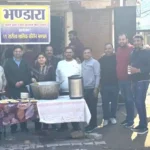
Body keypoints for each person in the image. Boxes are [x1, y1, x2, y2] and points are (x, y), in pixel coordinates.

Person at [4, 45, 31, 133]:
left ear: (22, 52)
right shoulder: (8, 63)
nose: (18, 53)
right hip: (12, 88)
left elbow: (28, 75)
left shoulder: (25, 62)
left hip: (23, 89)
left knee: (23, 107)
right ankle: (13, 127)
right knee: (12, 108)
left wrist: (23, 82)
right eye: (16, 51)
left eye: (19, 51)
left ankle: (24, 126)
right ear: (13, 52)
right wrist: (14, 83)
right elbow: (7, 75)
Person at [56, 47, 81, 131]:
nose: (68, 54)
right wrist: (57, 87)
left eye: (70, 52)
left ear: (73, 53)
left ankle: (75, 126)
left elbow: (81, 75)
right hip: (63, 90)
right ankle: (63, 126)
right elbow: (57, 76)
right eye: (67, 52)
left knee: (74, 109)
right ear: (64, 53)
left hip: (75, 91)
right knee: (63, 109)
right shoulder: (60, 63)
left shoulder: (77, 63)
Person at [130, 35, 150, 134]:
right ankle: (142, 124)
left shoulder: (147, 52)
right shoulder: (133, 52)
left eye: (138, 40)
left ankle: (144, 126)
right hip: (134, 80)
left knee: (139, 102)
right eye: (135, 41)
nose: (136, 42)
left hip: (143, 80)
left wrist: (138, 70)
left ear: (142, 41)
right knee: (138, 102)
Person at [32, 53, 56, 132]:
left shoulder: (50, 68)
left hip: (48, 91)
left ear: (45, 59)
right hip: (37, 92)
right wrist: (32, 79)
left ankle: (47, 126)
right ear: (37, 60)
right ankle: (37, 127)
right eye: (39, 58)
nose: (41, 59)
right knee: (37, 110)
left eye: (43, 57)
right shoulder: (34, 69)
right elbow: (31, 78)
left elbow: (53, 79)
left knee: (48, 109)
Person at [116, 34, 134, 128]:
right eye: (120, 39)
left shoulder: (132, 48)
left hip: (129, 80)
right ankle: (128, 118)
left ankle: (131, 121)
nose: (121, 41)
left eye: (123, 39)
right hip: (120, 79)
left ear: (127, 39)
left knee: (130, 100)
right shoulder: (118, 49)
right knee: (126, 100)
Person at [99, 43, 118, 126]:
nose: (108, 50)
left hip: (115, 83)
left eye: (109, 48)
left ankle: (112, 117)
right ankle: (106, 118)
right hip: (104, 84)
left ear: (112, 49)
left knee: (114, 102)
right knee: (105, 102)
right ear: (104, 50)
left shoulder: (116, 58)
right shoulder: (101, 59)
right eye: (106, 48)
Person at [82, 48, 100, 132]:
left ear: (91, 54)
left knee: (93, 108)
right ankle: (90, 124)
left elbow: (97, 75)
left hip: (92, 88)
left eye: (88, 52)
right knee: (88, 108)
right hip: (85, 89)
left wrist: (96, 88)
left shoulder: (95, 63)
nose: (87, 54)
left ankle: (93, 125)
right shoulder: (82, 63)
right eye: (85, 53)